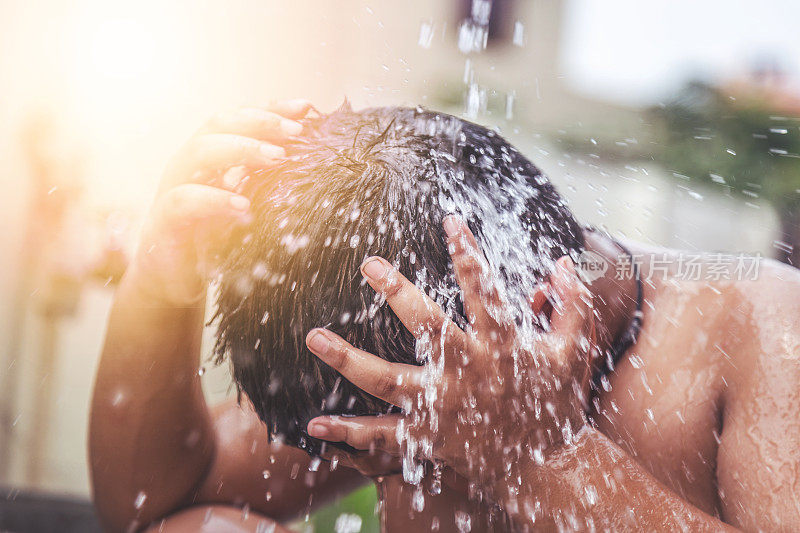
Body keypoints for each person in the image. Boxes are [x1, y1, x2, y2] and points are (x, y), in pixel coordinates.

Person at [89, 100, 800, 532]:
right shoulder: (401, 343)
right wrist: (157, 290)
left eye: (422, 452)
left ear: (539, 308)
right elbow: (157, 497)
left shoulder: (760, 328)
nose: (412, 466)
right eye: (397, 457)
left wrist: (542, 458)